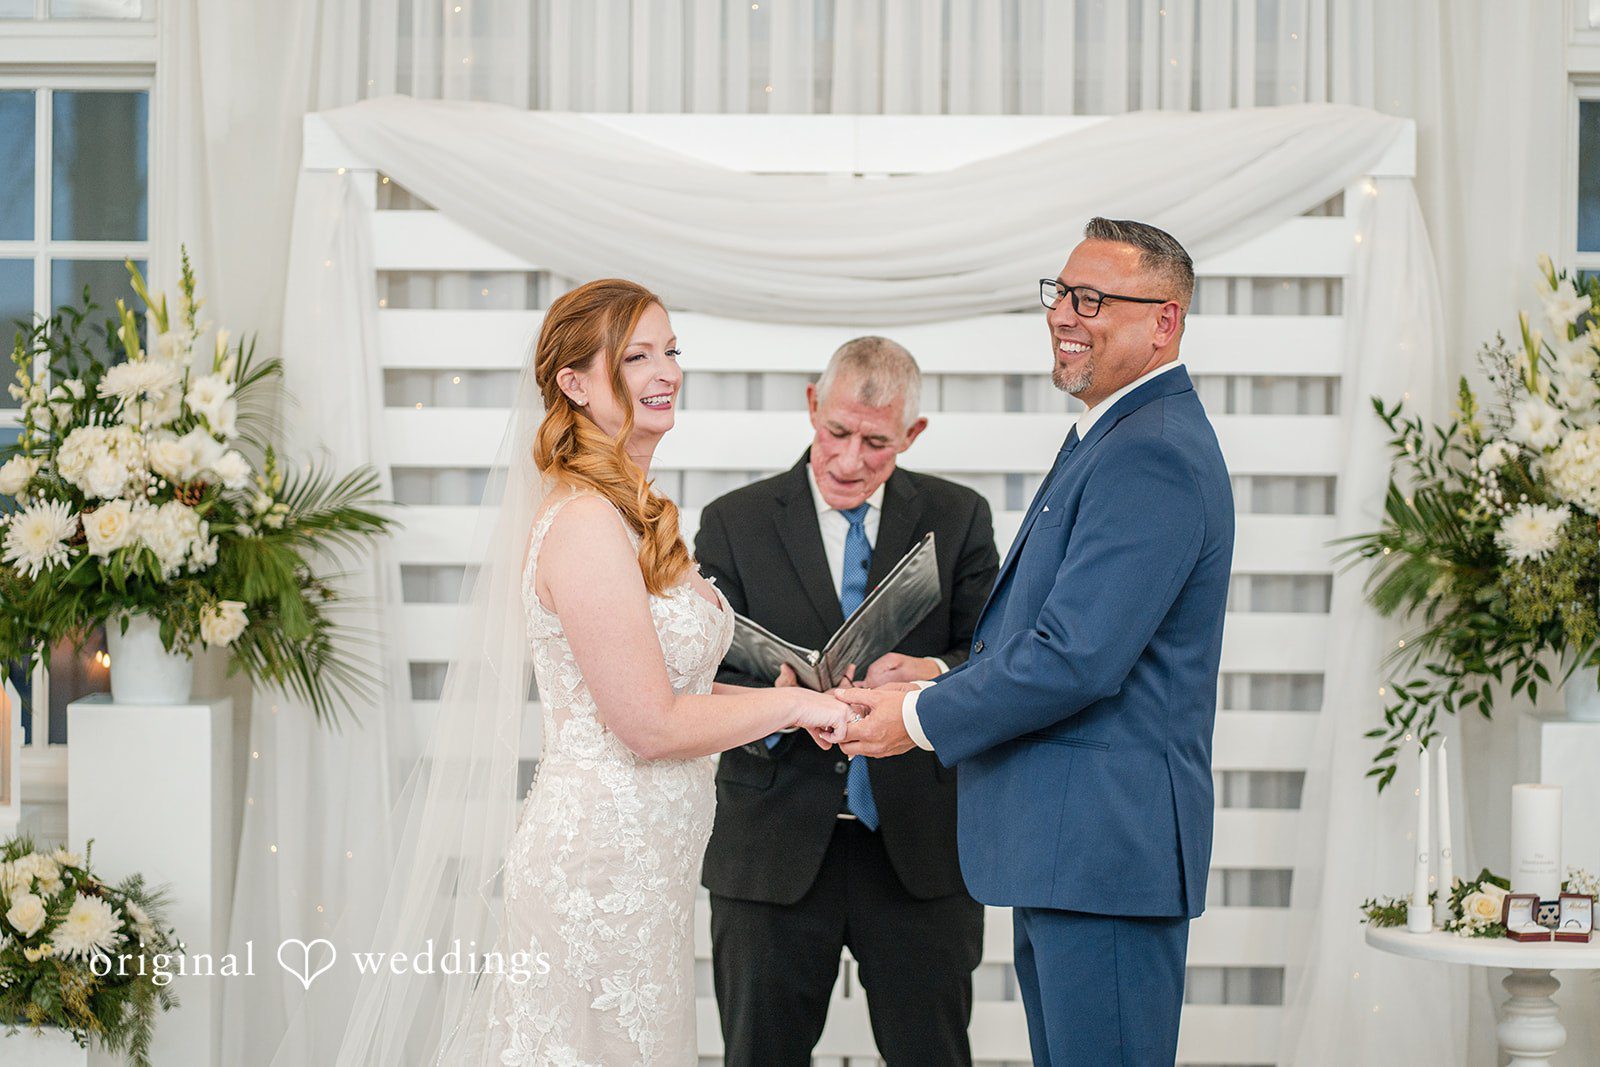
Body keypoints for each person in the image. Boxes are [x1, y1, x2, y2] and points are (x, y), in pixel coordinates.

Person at [294, 279, 854, 1066]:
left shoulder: (639, 511)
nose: (665, 373)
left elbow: (673, 687)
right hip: (596, 869)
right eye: (635, 357)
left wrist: (796, 698)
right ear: (576, 383)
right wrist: (790, 713)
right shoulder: (587, 523)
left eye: (670, 352)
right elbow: (650, 724)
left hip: (649, 870)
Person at [838, 219, 1235, 1067]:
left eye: (1093, 299)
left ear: (1164, 320)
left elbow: (1077, 655)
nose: (1065, 315)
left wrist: (915, 714)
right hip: (1068, 855)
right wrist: (944, 668)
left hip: (1104, 858)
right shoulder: (1114, 434)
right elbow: (1062, 632)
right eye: (1060, 293)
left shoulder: (1152, 452)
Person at [695, 337, 998, 1067]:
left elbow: (997, 660)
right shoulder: (731, 520)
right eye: (836, 431)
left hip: (919, 847)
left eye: (877, 442)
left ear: (913, 435)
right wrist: (777, 704)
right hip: (772, 844)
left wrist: (926, 670)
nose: (850, 459)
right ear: (811, 405)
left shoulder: (958, 516)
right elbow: (696, 675)